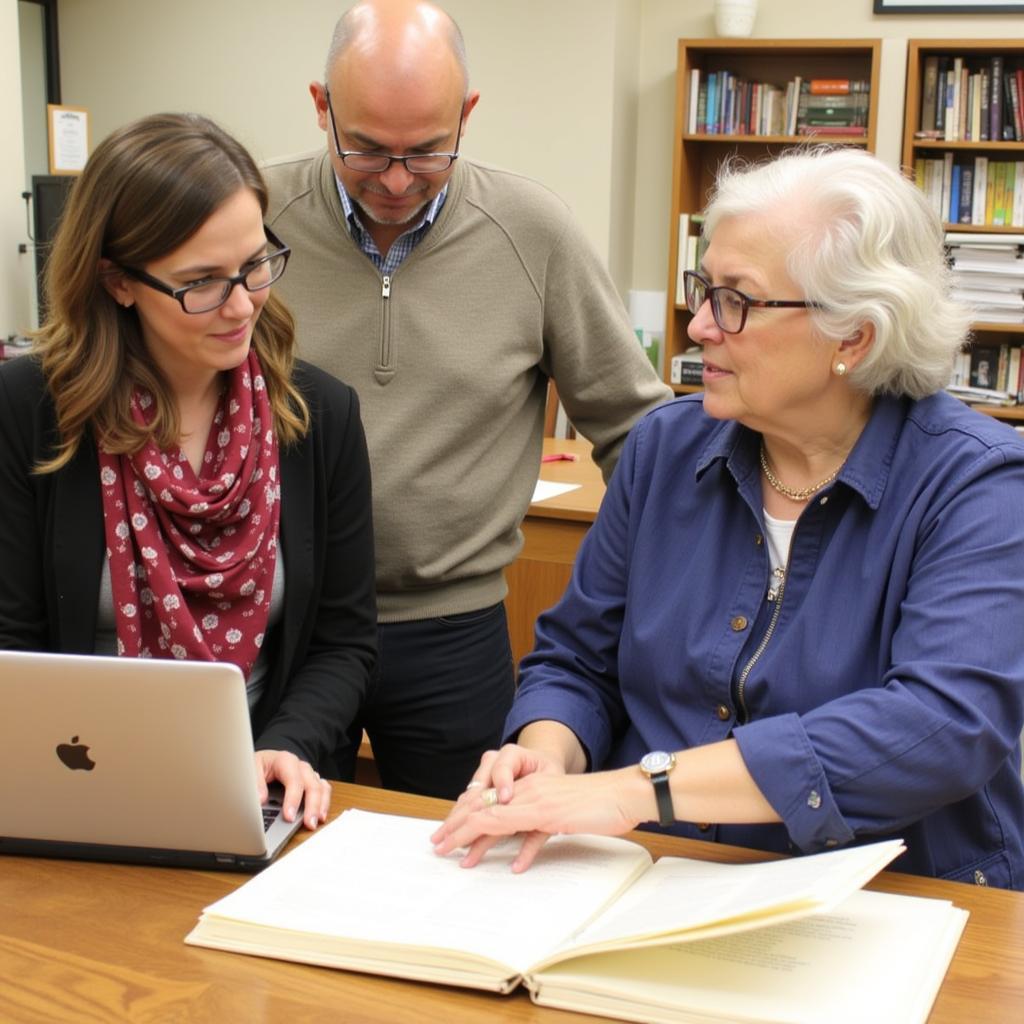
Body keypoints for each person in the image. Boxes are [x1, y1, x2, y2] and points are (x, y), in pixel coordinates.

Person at [431, 146, 1024, 889]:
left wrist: (633, 789)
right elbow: (577, 661)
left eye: (736, 300)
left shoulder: (977, 483)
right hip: (658, 877)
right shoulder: (663, 450)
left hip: (887, 895)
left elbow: (940, 727)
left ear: (854, 335)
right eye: (703, 289)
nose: (701, 324)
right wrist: (547, 754)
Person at [263, 0, 672, 798]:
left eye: (426, 152)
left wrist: (661, 585)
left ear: (467, 114)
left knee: (473, 857)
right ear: (321, 106)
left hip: (453, 629)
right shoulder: (253, 220)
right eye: (367, 149)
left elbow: (635, 427)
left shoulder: (533, 230)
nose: (394, 180)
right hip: (289, 624)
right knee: (276, 846)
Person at [0, 113, 378, 831]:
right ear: (116, 282)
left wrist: (287, 746)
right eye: (200, 282)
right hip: (71, 785)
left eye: (255, 264)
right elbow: (11, 643)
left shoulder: (320, 414)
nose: (242, 305)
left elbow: (344, 642)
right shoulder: (29, 412)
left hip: (258, 793)